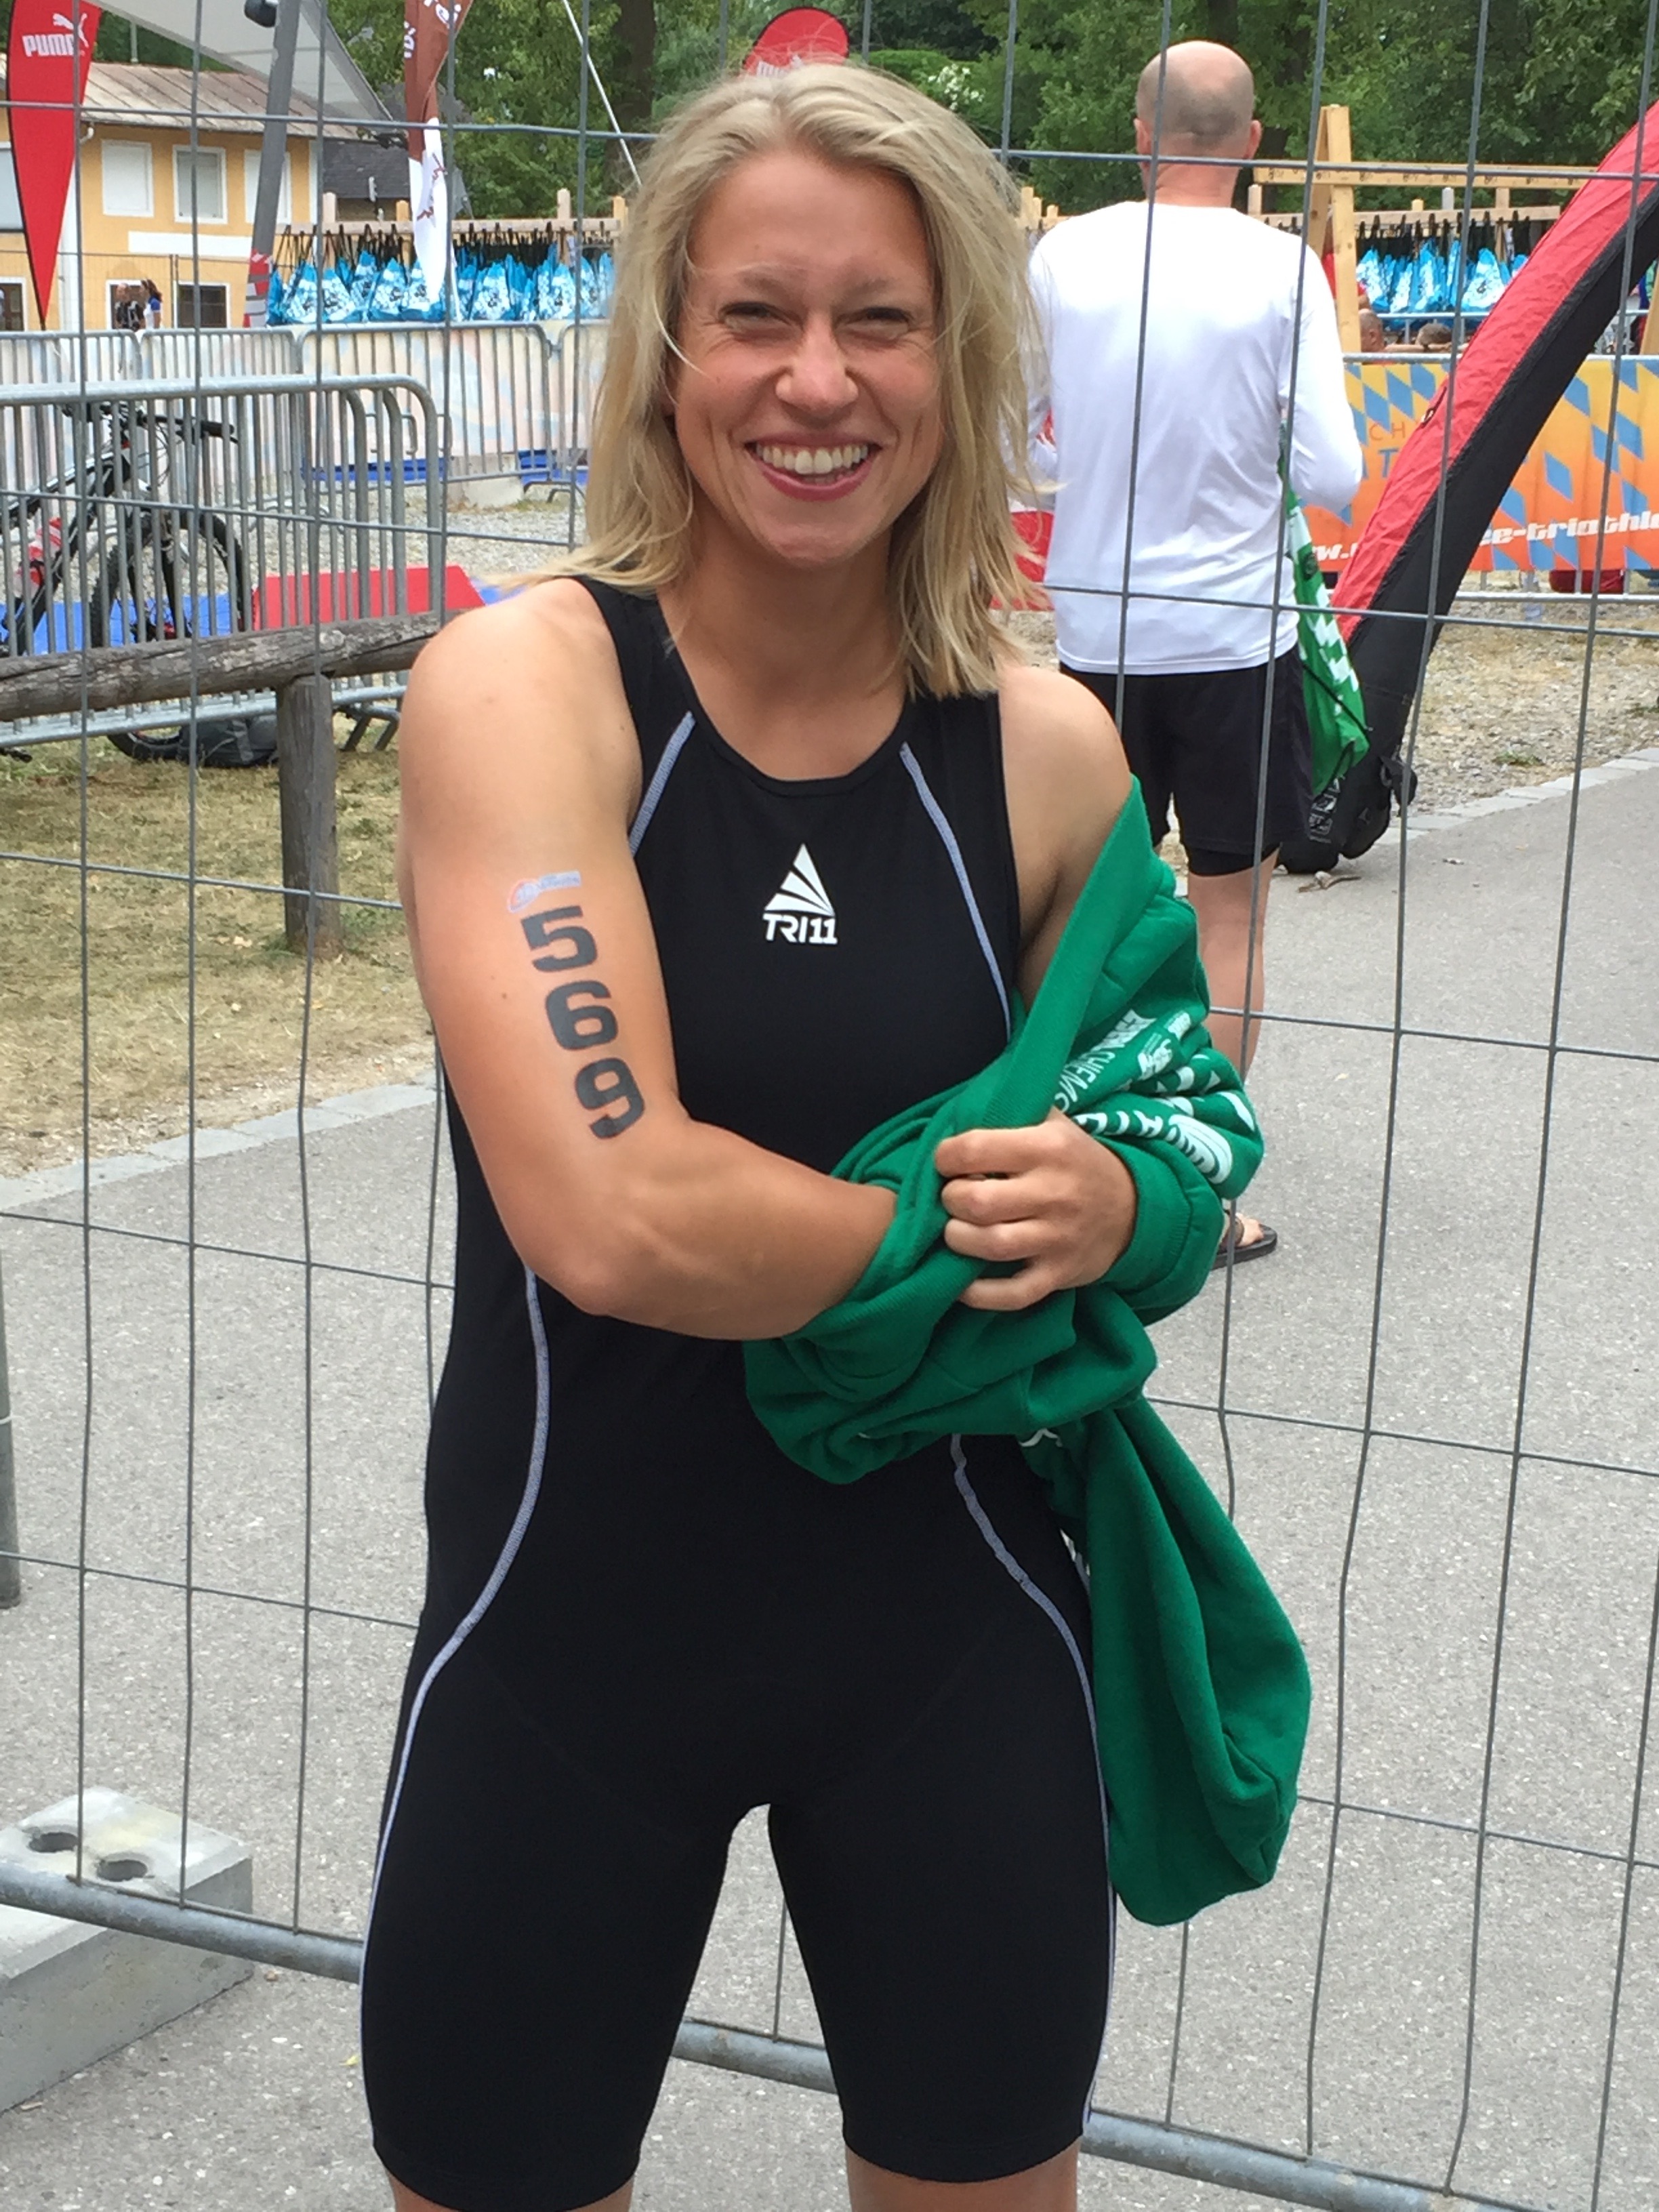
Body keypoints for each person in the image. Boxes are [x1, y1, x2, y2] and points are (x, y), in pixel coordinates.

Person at [360, 62, 1226, 2212]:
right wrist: (969, 1247)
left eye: (881, 322)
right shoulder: (529, 689)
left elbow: (1178, 1132)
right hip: (568, 1645)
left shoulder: (1047, 752)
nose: (816, 382)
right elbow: (620, 1212)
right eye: (755, 315)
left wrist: (1119, 1199)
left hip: (954, 1641)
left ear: (964, 363)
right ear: (666, 352)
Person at [1027, 39, 1364, 1265]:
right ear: (1255, 144)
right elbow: (1333, 471)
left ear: (1137, 133)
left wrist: (1082, 470)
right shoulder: (1281, 268)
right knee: (1231, 915)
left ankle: (1060, 1157)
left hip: (1095, 631)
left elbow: (1019, 440)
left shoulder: (1063, 255)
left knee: (1085, 914)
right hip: (1231, 632)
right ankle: (1201, 1192)